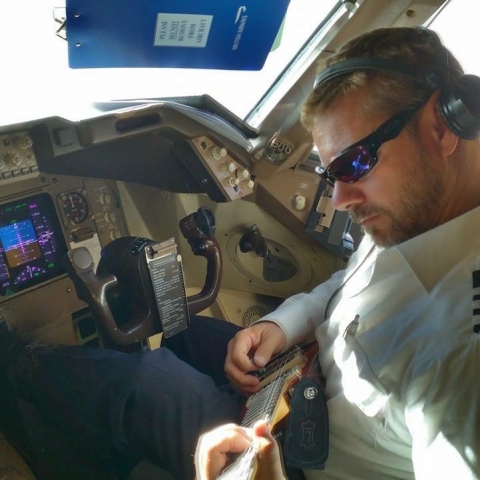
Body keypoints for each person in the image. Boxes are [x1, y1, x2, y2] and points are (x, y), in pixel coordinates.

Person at [1, 25, 480, 480]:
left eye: (355, 163)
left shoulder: (465, 365)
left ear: (442, 124)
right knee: (185, 334)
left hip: (289, 458)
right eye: (331, 175)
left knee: (142, 383)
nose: (340, 200)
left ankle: (18, 363)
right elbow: (351, 283)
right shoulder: (416, 220)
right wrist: (282, 323)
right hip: (292, 379)